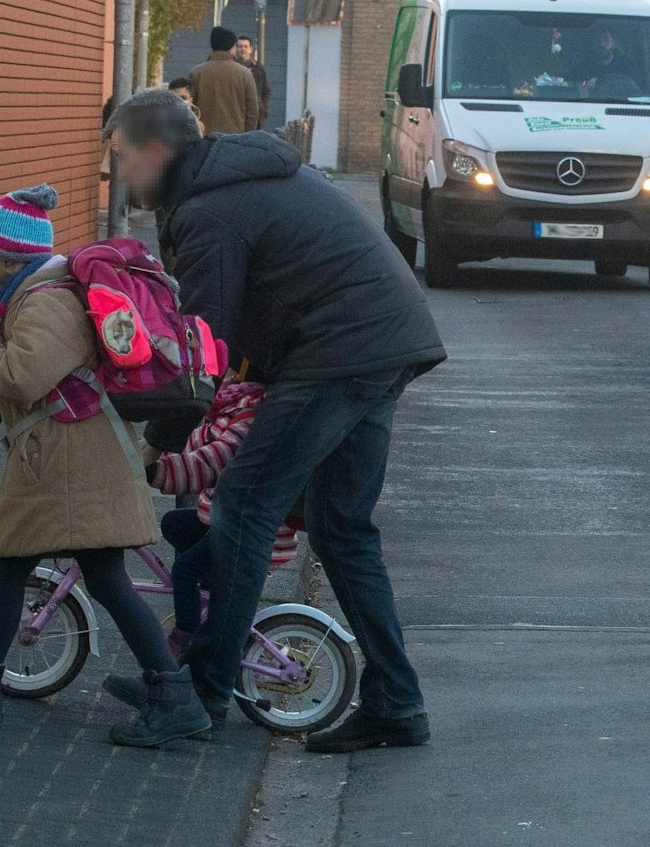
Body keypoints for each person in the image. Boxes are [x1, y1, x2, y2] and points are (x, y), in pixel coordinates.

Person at [105, 87, 446, 754]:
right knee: (341, 525)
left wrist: (151, 446)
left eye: (121, 158)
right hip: (383, 338)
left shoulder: (209, 212)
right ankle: (396, 702)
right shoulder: (235, 177)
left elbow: (200, 357)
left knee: (244, 503)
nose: (120, 175)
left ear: (154, 150)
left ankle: (198, 696)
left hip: (341, 347)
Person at [0, 185, 213, 747]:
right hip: (69, 455)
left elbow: (22, 375)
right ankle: (172, 693)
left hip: (67, 460)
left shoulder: (45, 299)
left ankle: (173, 696)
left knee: (14, 569)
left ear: (8, 255)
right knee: (89, 575)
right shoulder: (31, 293)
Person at [132, 380, 299, 659]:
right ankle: (208, 597)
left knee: (185, 570)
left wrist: (154, 472)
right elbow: (196, 445)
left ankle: (186, 639)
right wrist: (152, 448)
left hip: (251, 527)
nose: (224, 374)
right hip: (225, 515)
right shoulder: (229, 407)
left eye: (231, 367)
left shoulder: (251, 415)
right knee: (174, 523)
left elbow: (210, 462)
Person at [186, 27, 261, 136]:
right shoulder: (245, 74)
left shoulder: (197, 73)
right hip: (235, 140)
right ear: (232, 47)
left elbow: (190, 108)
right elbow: (252, 111)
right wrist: (246, 138)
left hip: (205, 137)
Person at [233, 36, 271, 129]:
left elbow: (266, 92)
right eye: (240, 46)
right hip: (235, 115)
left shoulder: (258, 68)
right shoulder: (231, 68)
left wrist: (262, 109)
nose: (243, 49)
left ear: (251, 49)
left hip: (255, 116)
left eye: (246, 47)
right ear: (235, 49)